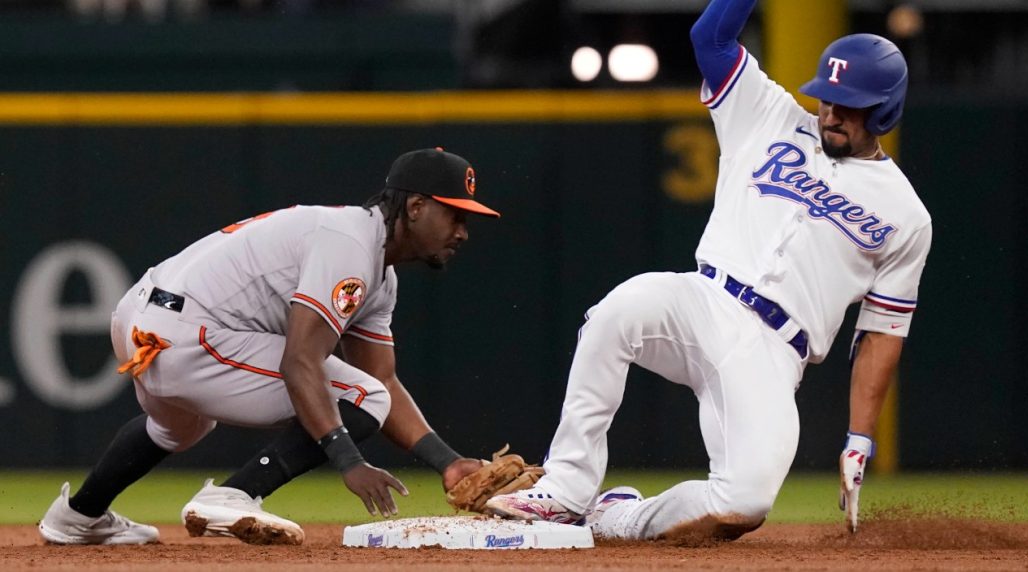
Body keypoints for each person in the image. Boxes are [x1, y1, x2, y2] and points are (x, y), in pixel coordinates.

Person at [486, 0, 931, 541]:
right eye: (827, 98)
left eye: (850, 105)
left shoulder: (906, 215)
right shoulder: (768, 111)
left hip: (773, 351)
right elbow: (711, 39)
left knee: (744, 502)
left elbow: (882, 333)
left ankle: (618, 517)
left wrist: (860, 436)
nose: (832, 112)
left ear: (885, 111)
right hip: (702, 299)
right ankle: (565, 488)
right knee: (616, 313)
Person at [39, 148, 498, 545]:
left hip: (141, 318)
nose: (462, 231)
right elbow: (301, 362)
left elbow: (382, 375)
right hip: (185, 334)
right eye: (455, 215)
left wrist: (449, 463)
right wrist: (349, 461)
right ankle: (236, 494)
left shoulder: (374, 266)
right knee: (361, 397)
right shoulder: (351, 248)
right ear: (416, 206)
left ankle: (79, 515)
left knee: (181, 428)